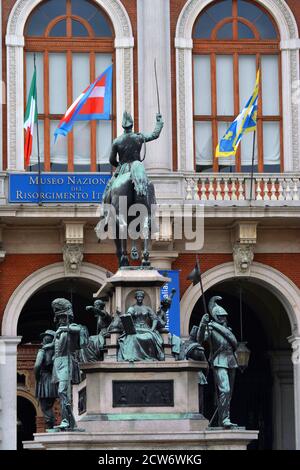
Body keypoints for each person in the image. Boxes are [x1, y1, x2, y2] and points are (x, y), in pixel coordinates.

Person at [198, 296, 238, 428]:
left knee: (229, 393)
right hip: (219, 360)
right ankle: (225, 419)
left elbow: (234, 344)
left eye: (224, 316)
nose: (223, 318)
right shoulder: (211, 328)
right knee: (225, 390)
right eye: (220, 316)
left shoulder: (229, 331)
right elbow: (200, 339)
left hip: (231, 361)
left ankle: (224, 419)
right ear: (215, 317)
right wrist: (203, 324)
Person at [51, 298, 88, 430]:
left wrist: (66, 329)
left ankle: (67, 419)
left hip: (67, 361)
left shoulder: (72, 328)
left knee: (63, 391)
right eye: (59, 318)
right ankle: (67, 420)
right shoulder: (58, 332)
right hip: (58, 363)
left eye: (63, 317)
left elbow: (81, 333)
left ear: (68, 317)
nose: (61, 320)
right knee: (61, 394)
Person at [118, 290, 164, 362]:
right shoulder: (132, 308)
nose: (140, 298)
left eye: (141, 297)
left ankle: (150, 356)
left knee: (151, 337)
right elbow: (128, 315)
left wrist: (152, 329)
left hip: (146, 328)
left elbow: (155, 318)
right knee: (132, 337)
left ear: (143, 298)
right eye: (138, 297)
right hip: (135, 328)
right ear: (136, 298)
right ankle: (134, 356)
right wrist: (128, 315)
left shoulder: (147, 308)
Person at [34, 330, 58, 429]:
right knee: (49, 406)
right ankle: (51, 428)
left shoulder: (42, 351)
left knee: (45, 408)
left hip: (43, 380)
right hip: (52, 380)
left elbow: (37, 365)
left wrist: (37, 377)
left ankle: (50, 429)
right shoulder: (56, 352)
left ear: (45, 340)